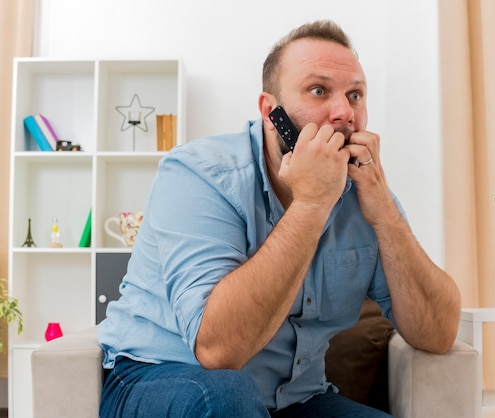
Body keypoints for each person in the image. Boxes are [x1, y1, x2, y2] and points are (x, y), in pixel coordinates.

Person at [98, 20, 461, 418]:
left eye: (355, 95)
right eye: (319, 91)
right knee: (226, 397)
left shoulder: (365, 193)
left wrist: (386, 214)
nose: (344, 112)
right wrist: (310, 205)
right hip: (161, 378)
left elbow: (438, 335)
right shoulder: (197, 174)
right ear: (272, 112)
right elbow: (220, 351)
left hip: (296, 398)